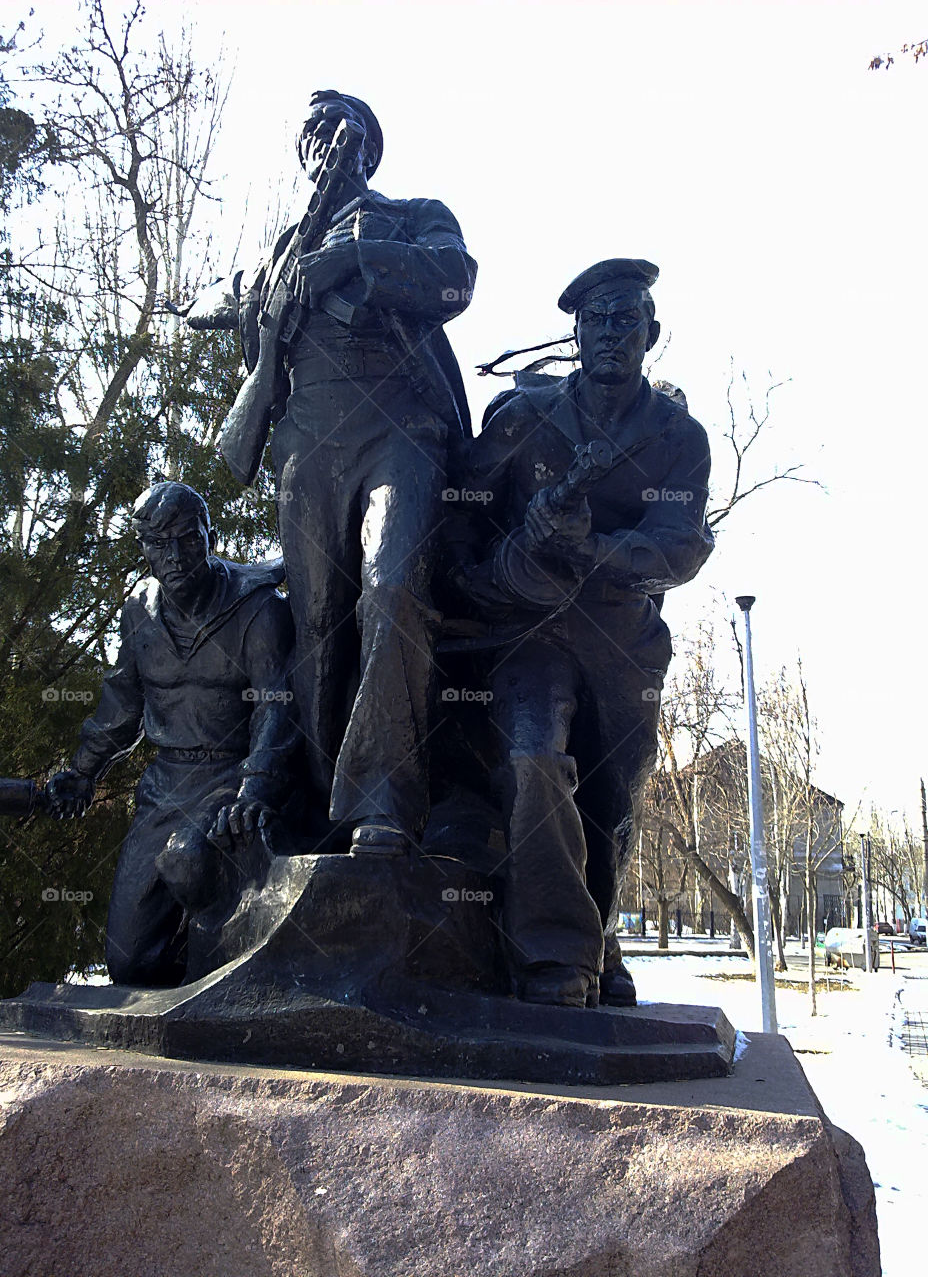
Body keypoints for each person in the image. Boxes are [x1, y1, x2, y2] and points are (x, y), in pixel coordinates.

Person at [188, 90, 476, 858]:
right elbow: (234, 339)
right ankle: (319, 806)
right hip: (307, 445)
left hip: (399, 431)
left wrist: (354, 258)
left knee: (392, 591)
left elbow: (454, 280)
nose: (320, 141)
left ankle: (382, 801)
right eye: (308, 131)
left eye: (335, 128)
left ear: (366, 147)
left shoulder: (413, 215)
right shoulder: (279, 250)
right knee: (317, 625)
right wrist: (265, 305)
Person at [457, 259, 713, 1008]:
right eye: (596, 320)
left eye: (626, 319)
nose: (610, 333)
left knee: (613, 801)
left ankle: (597, 937)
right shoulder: (524, 414)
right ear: (574, 333)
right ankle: (555, 960)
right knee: (536, 758)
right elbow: (462, 508)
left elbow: (679, 548)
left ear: (650, 333)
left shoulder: (677, 437)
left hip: (622, 641)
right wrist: (496, 569)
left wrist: (587, 547)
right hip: (531, 634)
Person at [46, 482, 299, 986]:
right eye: (158, 544)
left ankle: (230, 981)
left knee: (186, 860)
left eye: (187, 539)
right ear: (142, 548)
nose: (176, 557)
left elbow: (276, 704)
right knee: (129, 963)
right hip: (163, 787)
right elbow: (122, 704)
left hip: (232, 777)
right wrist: (83, 771)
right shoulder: (138, 611)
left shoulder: (259, 608)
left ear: (209, 534)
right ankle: (187, 993)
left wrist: (257, 788)